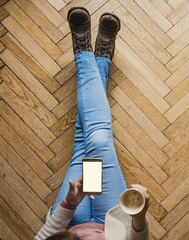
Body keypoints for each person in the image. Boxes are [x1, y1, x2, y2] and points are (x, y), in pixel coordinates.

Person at [34, 7, 150, 240]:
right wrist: (139, 218)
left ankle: (88, 55)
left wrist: (69, 203)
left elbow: (43, 237)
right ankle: (92, 56)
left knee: (85, 138)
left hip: (71, 216)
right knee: (95, 138)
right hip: (114, 222)